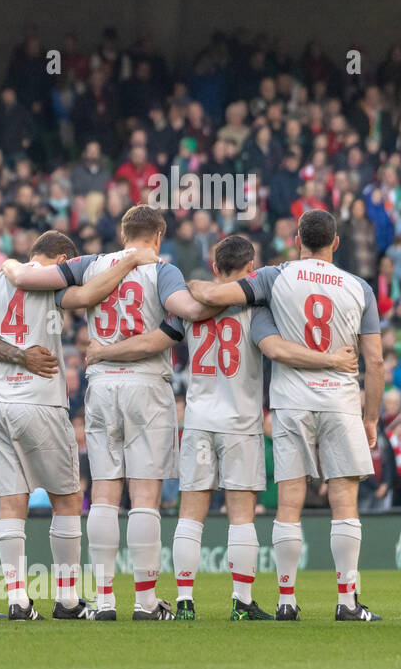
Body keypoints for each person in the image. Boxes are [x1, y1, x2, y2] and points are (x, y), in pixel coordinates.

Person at [88, 233, 358, 620]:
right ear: (252, 270)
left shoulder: (190, 307)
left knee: (190, 513)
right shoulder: (257, 309)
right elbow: (277, 350)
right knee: (240, 515)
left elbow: (151, 342)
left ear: (214, 267)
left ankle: (184, 602)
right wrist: (332, 360)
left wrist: (103, 351)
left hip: (197, 422)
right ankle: (242, 602)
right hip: (240, 424)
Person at [4, 204, 217, 620]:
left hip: (100, 384)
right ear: (158, 236)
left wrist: (10, 264)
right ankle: (145, 602)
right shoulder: (162, 269)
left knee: (103, 492)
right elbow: (189, 310)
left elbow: (32, 279)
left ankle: (103, 601)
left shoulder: (90, 264)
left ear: (122, 235)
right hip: (146, 387)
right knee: (144, 496)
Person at [187, 209, 385, 621]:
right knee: (344, 501)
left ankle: (286, 601)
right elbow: (376, 362)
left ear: (298, 239)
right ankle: (347, 602)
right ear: (335, 243)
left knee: (289, 505)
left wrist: (194, 285)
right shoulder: (360, 288)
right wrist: (371, 418)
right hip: (340, 402)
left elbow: (214, 297)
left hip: (291, 402)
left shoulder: (275, 277)